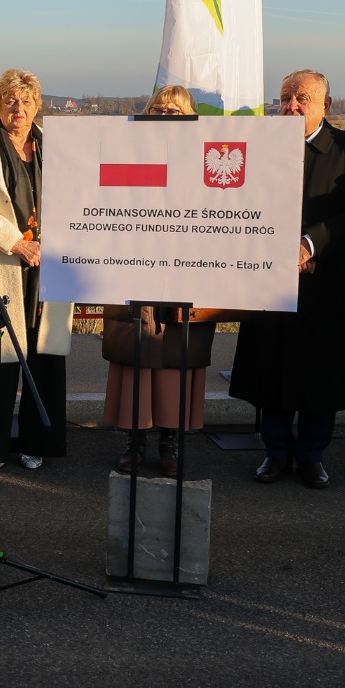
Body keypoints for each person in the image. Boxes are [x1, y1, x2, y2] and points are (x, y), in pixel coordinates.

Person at [230, 70, 345, 489]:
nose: (291, 106)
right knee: (271, 366)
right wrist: (280, 250)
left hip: (327, 277)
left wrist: (310, 246)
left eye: (302, 99)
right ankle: (276, 452)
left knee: (321, 370)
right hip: (269, 274)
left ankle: (312, 455)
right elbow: (242, 202)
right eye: (285, 98)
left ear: (326, 105)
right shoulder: (259, 144)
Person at [0, 68, 72, 470]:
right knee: (2, 360)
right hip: (3, 260)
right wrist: (16, 242)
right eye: (10, 101)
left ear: (37, 106)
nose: (18, 109)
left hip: (48, 264)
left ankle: (36, 443)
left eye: (26, 101)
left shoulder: (54, 146)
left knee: (45, 358)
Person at [102, 85, 211, 476]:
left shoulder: (203, 157)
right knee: (137, 355)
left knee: (176, 358)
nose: (165, 117)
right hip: (135, 268)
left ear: (190, 117)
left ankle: (170, 442)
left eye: (174, 112)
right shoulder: (127, 152)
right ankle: (135, 441)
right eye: (158, 110)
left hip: (186, 270)